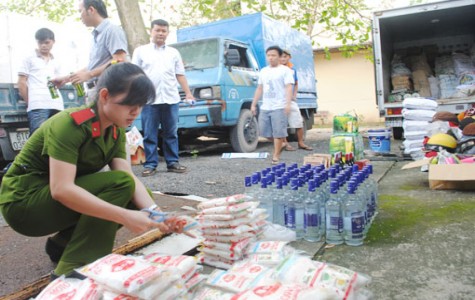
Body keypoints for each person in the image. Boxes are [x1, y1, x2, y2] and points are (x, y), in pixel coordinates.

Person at [0, 63, 187, 279]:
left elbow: (127, 175)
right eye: (130, 104)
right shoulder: (70, 124)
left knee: (134, 197)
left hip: (49, 201)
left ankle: (63, 243)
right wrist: (126, 217)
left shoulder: (115, 130)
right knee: (120, 186)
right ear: (105, 96)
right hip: (24, 204)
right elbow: (61, 189)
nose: (136, 112)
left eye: (141, 105)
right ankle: (73, 270)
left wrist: (158, 214)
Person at [132, 19, 194, 176]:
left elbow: (180, 74)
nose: (160, 33)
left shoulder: (174, 52)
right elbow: (134, 74)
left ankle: (173, 162)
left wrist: (188, 93)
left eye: (163, 31)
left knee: (171, 133)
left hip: (171, 99)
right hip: (149, 100)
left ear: (167, 33)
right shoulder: (140, 51)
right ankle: (151, 164)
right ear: (151, 31)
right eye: (157, 30)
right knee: (149, 134)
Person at [66, 0, 128, 103]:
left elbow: (119, 60)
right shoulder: (97, 35)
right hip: (94, 90)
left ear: (91, 10)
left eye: (80, 11)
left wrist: (89, 75)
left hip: (107, 89)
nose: (80, 16)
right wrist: (65, 79)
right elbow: (94, 66)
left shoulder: (112, 30)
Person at [251, 46, 294, 165]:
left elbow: (289, 87)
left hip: (280, 106)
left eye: (273, 55)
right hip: (266, 106)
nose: (271, 58)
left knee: (278, 133)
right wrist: (253, 104)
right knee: (263, 132)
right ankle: (283, 144)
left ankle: (276, 155)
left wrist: (288, 104)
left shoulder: (285, 71)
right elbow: (260, 88)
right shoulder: (264, 71)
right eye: (269, 55)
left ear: (279, 57)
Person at [18, 28, 64, 135]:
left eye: (47, 42)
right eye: (40, 42)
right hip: (37, 104)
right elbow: (21, 82)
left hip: (57, 104)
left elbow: (59, 83)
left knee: (57, 138)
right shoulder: (29, 58)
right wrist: (30, 102)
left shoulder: (56, 61)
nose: (43, 45)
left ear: (53, 42)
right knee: (38, 139)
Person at [280, 49, 313, 151]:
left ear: (289, 57)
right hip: (280, 100)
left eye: (285, 56)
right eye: (281, 57)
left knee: (298, 121)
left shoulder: (292, 70)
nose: (283, 59)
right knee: (282, 123)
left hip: (291, 100)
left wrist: (294, 95)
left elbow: (296, 83)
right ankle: (285, 143)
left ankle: (301, 142)